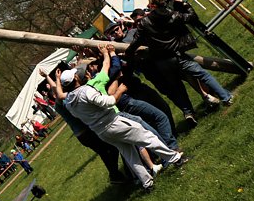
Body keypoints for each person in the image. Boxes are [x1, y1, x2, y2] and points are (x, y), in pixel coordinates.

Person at [57, 45, 188, 192]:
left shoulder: (68, 102)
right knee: (147, 136)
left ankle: (147, 183)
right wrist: (119, 90)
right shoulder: (86, 91)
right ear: (75, 78)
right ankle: (176, 159)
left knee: (129, 153)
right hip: (112, 122)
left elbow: (63, 97)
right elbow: (109, 102)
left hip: (101, 132)